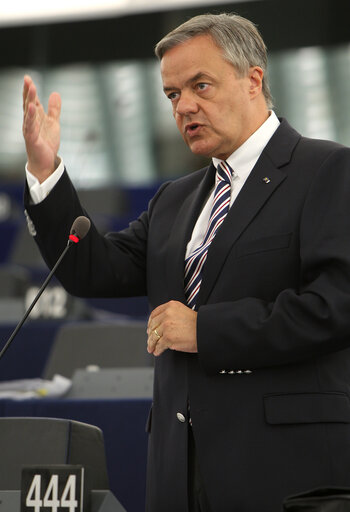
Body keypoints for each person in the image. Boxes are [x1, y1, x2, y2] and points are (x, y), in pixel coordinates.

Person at [22, 12, 350, 512]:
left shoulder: (327, 169)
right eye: (173, 95)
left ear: (253, 80)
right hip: (179, 472)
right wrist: (46, 174)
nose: (185, 107)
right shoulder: (174, 200)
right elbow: (93, 269)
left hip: (284, 473)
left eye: (201, 85)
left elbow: (335, 306)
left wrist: (204, 330)